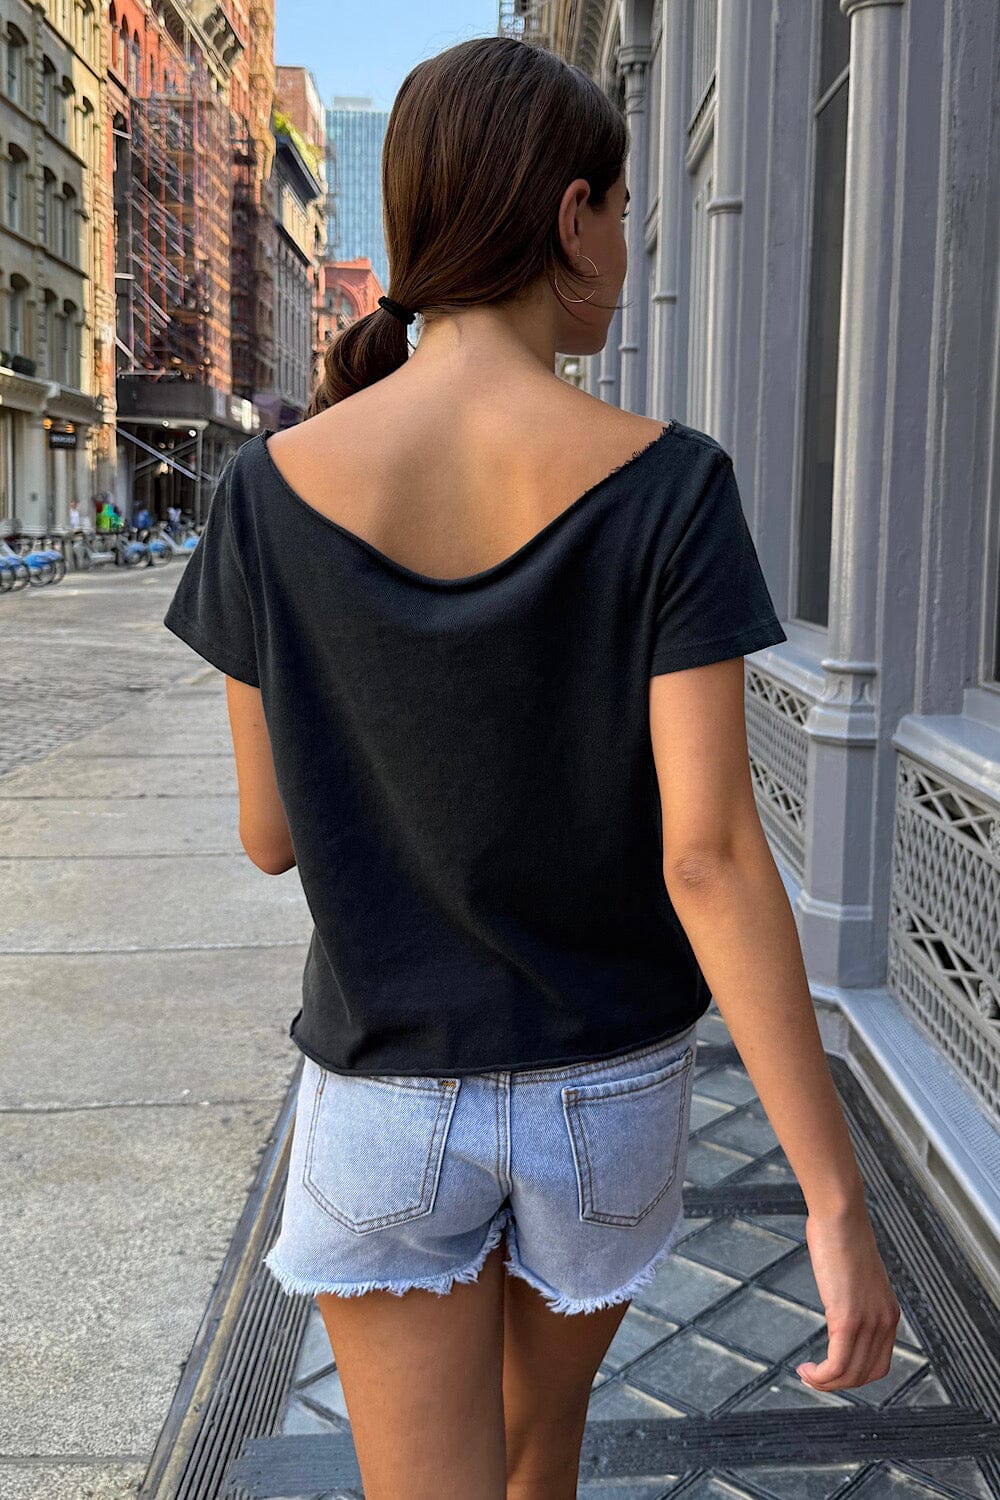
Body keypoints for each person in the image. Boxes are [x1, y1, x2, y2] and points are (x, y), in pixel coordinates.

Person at [162, 35, 899, 1500]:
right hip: (602, 1092)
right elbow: (709, 856)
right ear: (570, 217)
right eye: (621, 209)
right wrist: (833, 1199)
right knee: (538, 1457)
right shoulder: (672, 486)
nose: (626, 247)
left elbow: (269, 834)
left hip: (384, 1089)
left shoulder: (263, 494)